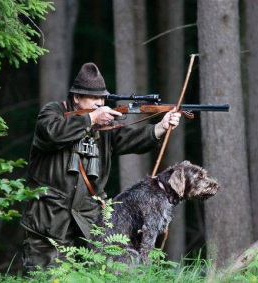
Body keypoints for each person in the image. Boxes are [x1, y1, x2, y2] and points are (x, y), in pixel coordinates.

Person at [20, 62, 181, 270]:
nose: (99, 103)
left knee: (97, 273)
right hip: (49, 216)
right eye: (93, 97)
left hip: (88, 218)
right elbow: (52, 132)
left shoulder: (103, 124)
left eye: (102, 98)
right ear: (76, 97)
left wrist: (160, 127)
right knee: (45, 274)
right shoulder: (53, 112)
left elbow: (128, 139)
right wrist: (90, 118)